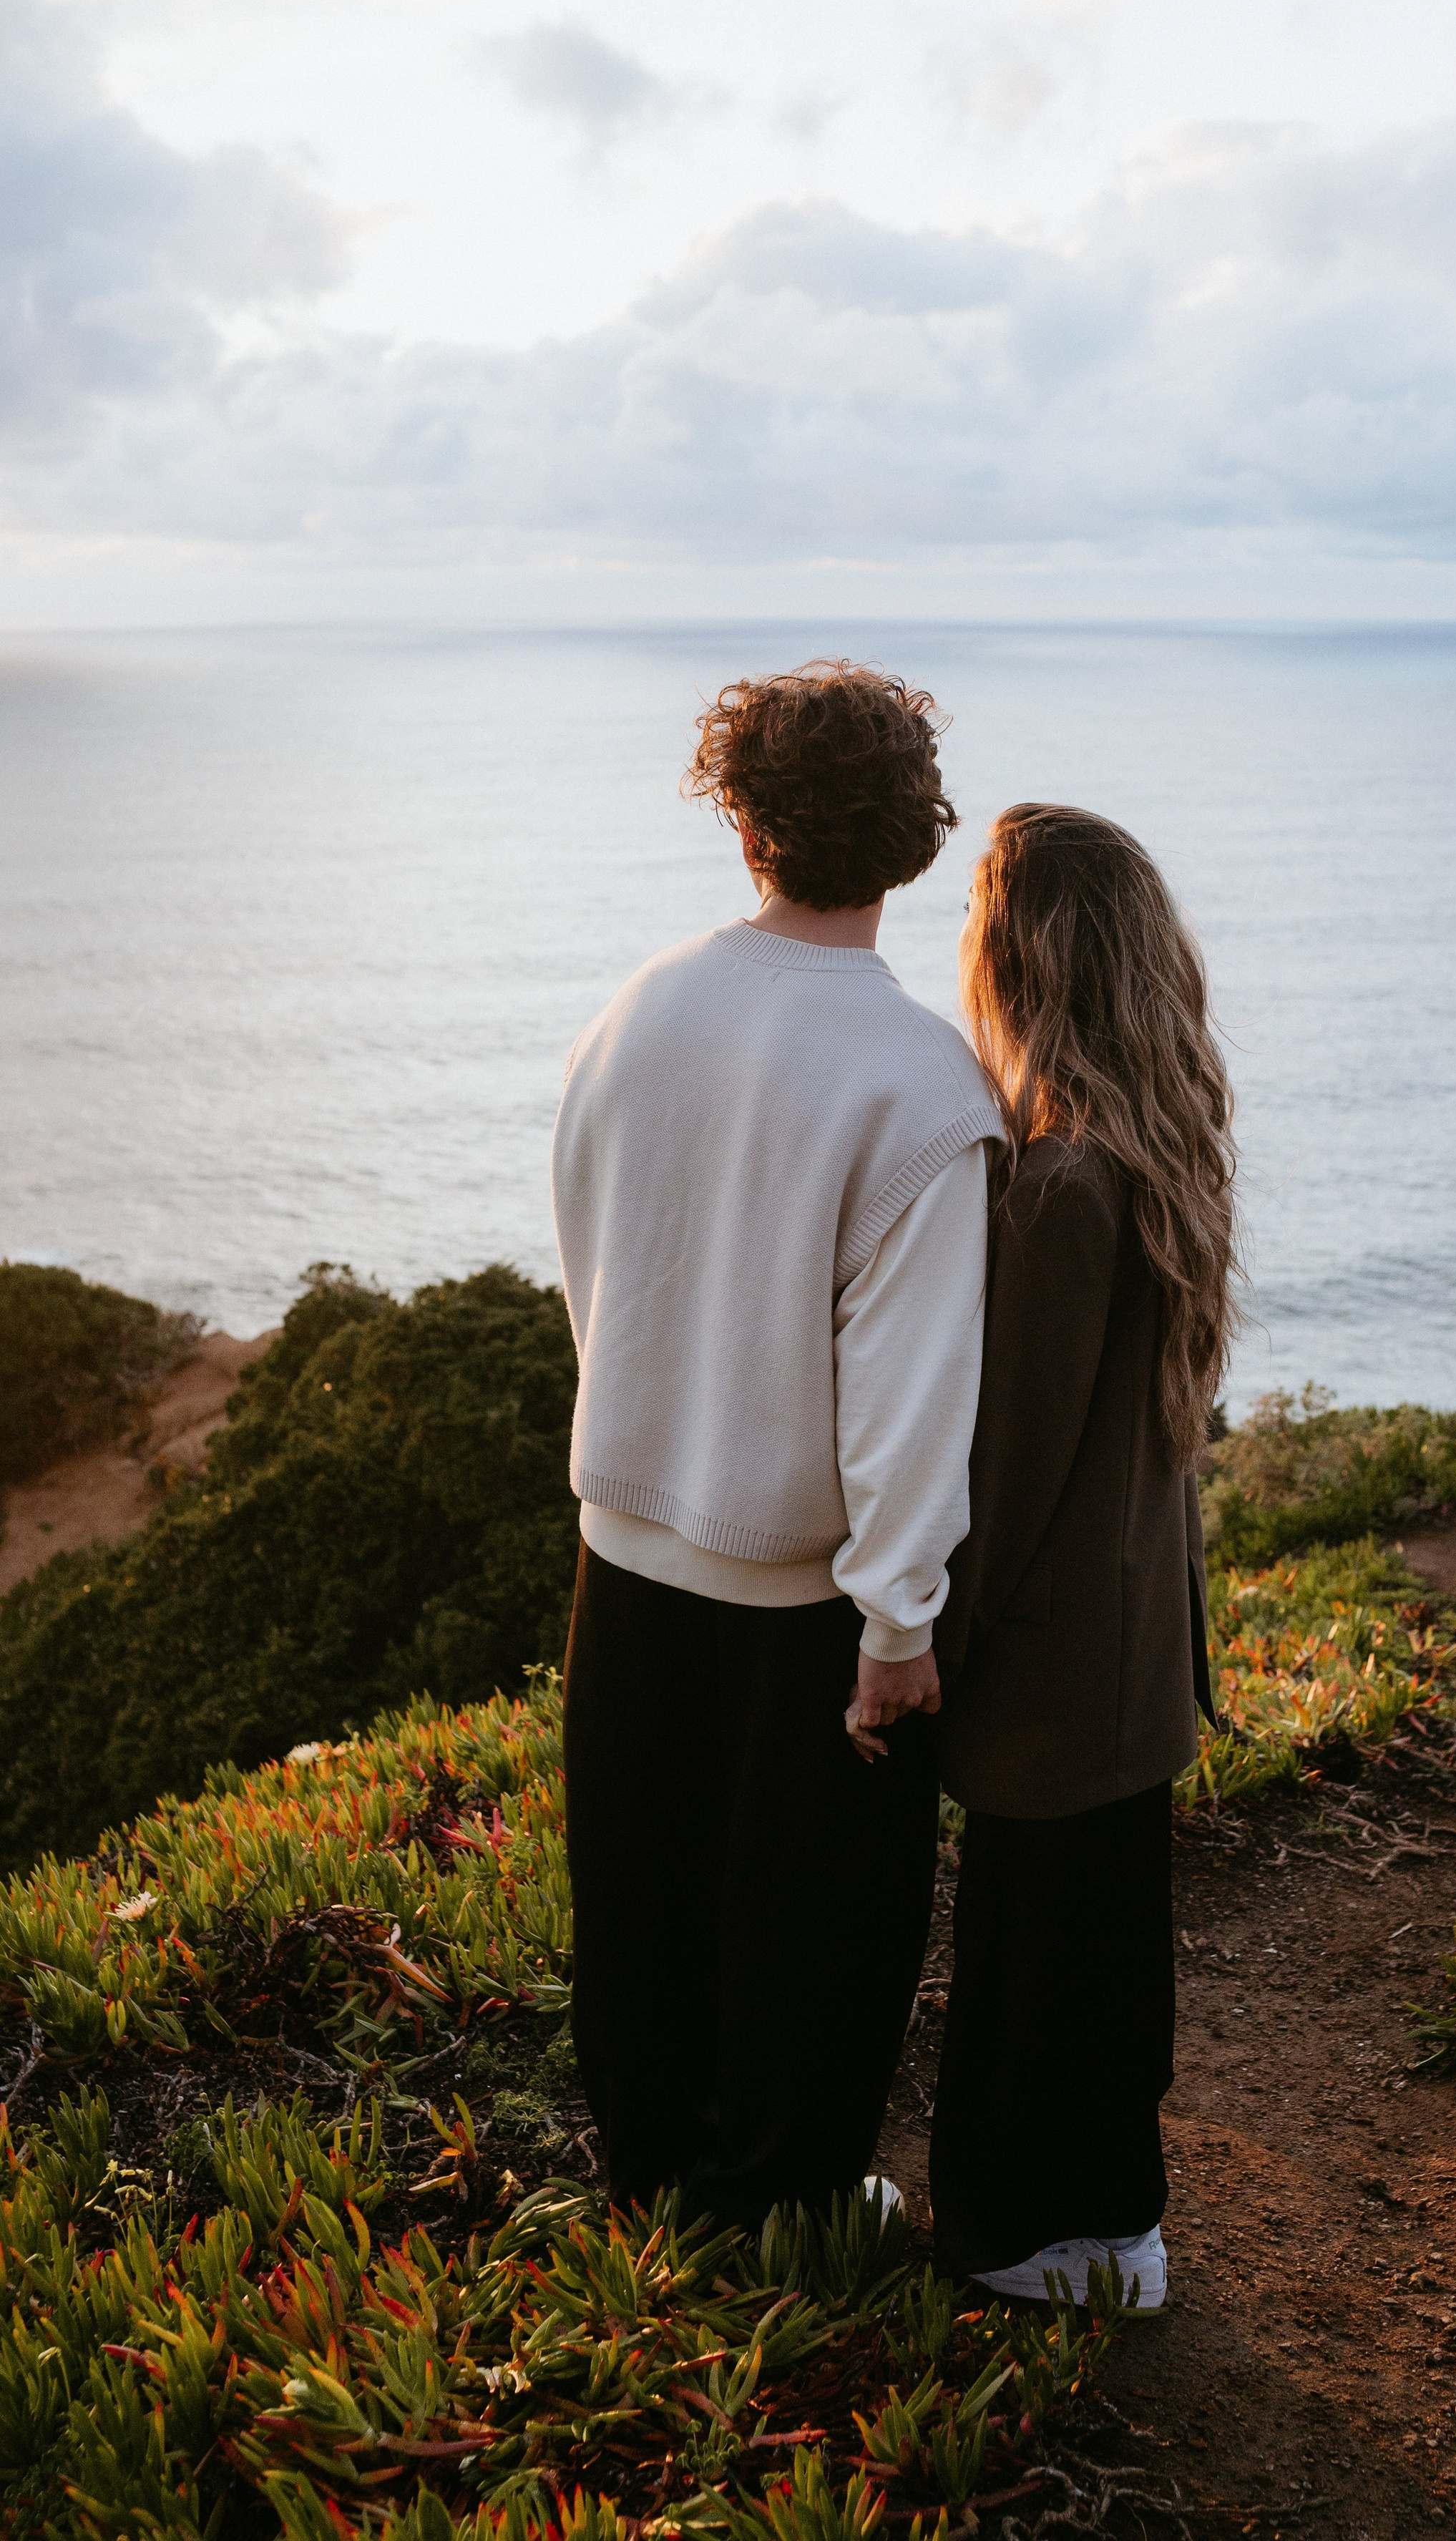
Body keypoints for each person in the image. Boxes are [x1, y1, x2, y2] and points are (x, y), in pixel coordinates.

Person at [552, 660, 1003, 2233]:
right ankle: (785, 2216)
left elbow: (595, 1265)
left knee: (640, 1895)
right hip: (809, 1594)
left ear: (739, 821)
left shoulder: (635, 1009)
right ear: (910, 836)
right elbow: (909, 1390)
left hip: (625, 1542)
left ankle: (652, 2185)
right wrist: (899, 1621)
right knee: (816, 1924)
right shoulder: (922, 1082)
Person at [927, 804, 1238, 2311]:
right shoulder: (1159, 1140)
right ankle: (1117, 2222)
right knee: (1108, 1959)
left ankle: (1017, 2240)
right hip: (1133, 1659)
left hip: (1052, 1670)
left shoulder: (1056, 1185)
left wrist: (923, 1632)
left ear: (1020, 956)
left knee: (1023, 1967)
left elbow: (1010, 1462)